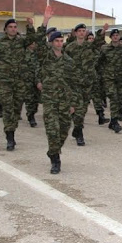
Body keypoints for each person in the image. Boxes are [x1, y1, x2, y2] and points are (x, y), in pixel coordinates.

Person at [0, 8, 51, 150]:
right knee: (8, 109)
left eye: (14, 27)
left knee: (17, 109)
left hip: (19, 82)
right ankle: (10, 137)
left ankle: (12, 129)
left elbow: (35, 38)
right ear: (5, 29)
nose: (13, 29)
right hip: (5, 82)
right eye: (10, 27)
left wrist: (40, 23)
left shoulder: (21, 41)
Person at [37, 31, 77, 174]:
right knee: (52, 130)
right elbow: (37, 40)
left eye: (61, 41)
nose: (59, 43)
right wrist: (45, 23)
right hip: (50, 99)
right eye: (57, 41)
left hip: (65, 100)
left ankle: (53, 150)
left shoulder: (69, 61)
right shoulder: (45, 57)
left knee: (64, 129)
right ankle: (55, 159)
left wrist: (73, 104)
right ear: (51, 42)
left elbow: (73, 83)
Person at [63, 22, 106, 146]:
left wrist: (103, 31)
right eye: (80, 31)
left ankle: (77, 129)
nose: (82, 33)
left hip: (87, 82)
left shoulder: (89, 46)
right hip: (74, 83)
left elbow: (98, 42)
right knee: (77, 108)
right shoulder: (69, 48)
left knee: (84, 108)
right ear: (76, 33)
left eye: (84, 31)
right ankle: (79, 132)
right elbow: (65, 65)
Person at [99, 28, 122, 133]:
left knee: (119, 99)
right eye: (114, 35)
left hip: (120, 78)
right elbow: (99, 61)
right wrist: (103, 74)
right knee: (114, 97)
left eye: (117, 35)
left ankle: (112, 121)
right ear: (110, 37)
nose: (116, 37)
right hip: (109, 78)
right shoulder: (105, 48)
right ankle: (114, 121)